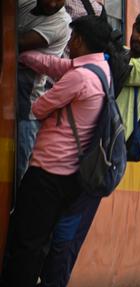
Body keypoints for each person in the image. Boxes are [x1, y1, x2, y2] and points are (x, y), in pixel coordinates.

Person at [16, 11, 140, 287]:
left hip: (101, 160)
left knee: (65, 238)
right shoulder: (105, 61)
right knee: (47, 232)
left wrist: (100, 44)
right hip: (80, 156)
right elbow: (73, 67)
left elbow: (122, 73)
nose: (139, 39)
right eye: (138, 31)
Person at [0, 15, 114, 287]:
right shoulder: (99, 70)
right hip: (71, 176)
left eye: (73, 38)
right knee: (38, 242)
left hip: (49, 172)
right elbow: (55, 66)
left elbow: (38, 108)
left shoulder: (80, 78)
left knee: (26, 241)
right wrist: (21, 54)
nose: (70, 43)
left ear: (79, 41)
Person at [16, 0, 71, 182]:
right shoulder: (26, 3)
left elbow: (16, 43)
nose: (53, 3)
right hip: (15, 93)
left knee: (19, 166)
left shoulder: (61, 23)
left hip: (27, 103)